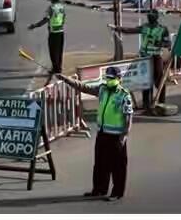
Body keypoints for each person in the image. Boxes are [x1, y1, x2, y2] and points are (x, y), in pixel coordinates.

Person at [56, 66, 133, 200]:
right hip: (102, 133)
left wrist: (124, 136)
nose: (109, 81)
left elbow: (128, 118)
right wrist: (66, 79)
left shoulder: (124, 95)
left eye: (112, 79)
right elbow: (83, 87)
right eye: (107, 78)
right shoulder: (102, 89)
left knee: (118, 166)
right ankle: (99, 189)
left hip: (116, 136)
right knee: (100, 164)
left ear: (119, 79)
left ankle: (117, 193)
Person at [110, 9, 171, 108]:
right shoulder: (145, 27)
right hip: (144, 58)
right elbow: (130, 30)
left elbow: (168, 43)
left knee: (159, 80)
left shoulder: (163, 29)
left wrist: (161, 43)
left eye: (151, 16)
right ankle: (146, 103)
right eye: (149, 16)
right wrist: (117, 28)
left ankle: (161, 102)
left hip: (156, 57)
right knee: (145, 81)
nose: (149, 17)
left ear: (156, 18)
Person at [28, 0, 65, 75]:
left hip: (53, 32)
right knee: (59, 51)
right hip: (61, 31)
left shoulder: (51, 8)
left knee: (53, 51)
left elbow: (45, 19)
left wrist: (35, 25)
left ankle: (56, 70)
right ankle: (59, 68)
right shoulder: (61, 7)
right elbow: (63, 18)